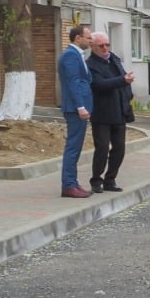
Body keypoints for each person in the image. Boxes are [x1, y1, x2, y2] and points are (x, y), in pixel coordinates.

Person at [86, 31, 135, 193]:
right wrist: (123, 80)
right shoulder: (91, 64)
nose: (105, 48)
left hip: (120, 111)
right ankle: (96, 180)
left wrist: (128, 94)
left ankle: (110, 179)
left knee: (119, 148)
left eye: (107, 45)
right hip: (102, 113)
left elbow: (124, 78)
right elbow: (99, 84)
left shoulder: (114, 59)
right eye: (101, 45)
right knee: (102, 148)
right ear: (92, 46)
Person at [56, 23, 94, 198]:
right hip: (75, 108)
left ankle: (73, 183)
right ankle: (69, 185)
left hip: (79, 107)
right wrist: (80, 106)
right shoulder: (71, 55)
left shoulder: (77, 54)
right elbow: (73, 82)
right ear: (78, 38)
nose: (91, 40)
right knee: (73, 147)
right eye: (88, 37)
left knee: (76, 147)